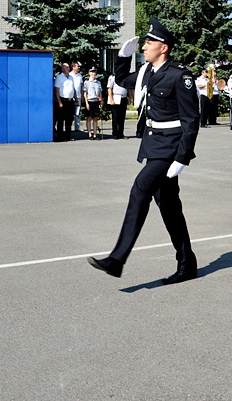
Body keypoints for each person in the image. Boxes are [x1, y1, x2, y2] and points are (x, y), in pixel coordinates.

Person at [88, 18, 200, 285]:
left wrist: (183, 157)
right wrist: (123, 56)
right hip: (153, 144)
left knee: (140, 190)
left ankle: (117, 259)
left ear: (164, 48)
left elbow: (191, 119)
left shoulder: (179, 76)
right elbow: (120, 80)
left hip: (170, 148)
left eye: (150, 42)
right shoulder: (146, 72)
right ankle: (187, 264)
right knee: (169, 206)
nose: (145, 46)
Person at [53, 63, 76, 142]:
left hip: (70, 101)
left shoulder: (71, 77)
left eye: (69, 67)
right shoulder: (59, 77)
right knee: (61, 119)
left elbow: (73, 89)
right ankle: (60, 136)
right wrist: (59, 102)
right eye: (67, 67)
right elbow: (57, 90)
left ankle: (68, 136)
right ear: (62, 69)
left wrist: (76, 99)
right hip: (63, 101)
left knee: (69, 120)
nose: (68, 68)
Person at [82, 67, 104, 140]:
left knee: (95, 118)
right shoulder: (87, 82)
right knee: (89, 117)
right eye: (92, 72)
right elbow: (85, 93)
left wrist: (101, 102)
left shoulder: (98, 83)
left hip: (96, 101)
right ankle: (89, 134)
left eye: (94, 72)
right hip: (90, 101)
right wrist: (86, 103)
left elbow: (100, 93)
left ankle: (95, 134)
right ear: (89, 73)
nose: (93, 74)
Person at [106, 71, 129, 139]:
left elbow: (128, 87)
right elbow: (109, 88)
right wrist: (111, 99)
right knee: (115, 116)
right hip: (116, 97)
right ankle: (115, 133)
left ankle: (121, 133)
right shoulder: (113, 77)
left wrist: (129, 97)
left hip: (124, 97)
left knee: (122, 117)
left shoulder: (125, 77)